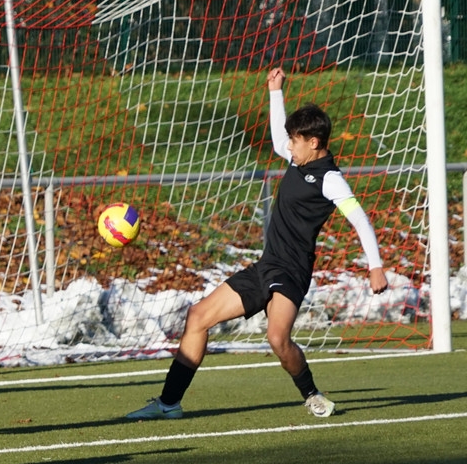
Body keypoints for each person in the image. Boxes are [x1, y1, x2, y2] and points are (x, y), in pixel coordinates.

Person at [126, 67, 388, 421]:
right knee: (198, 316)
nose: (288, 146)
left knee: (278, 339)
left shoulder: (330, 180)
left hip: (292, 273)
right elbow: (279, 139)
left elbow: (359, 218)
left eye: (295, 140)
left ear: (313, 142)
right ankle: (168, 403)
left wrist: (375, 266)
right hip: (267, 266)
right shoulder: (297, 160)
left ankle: (310, 393)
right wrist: (275, 92)